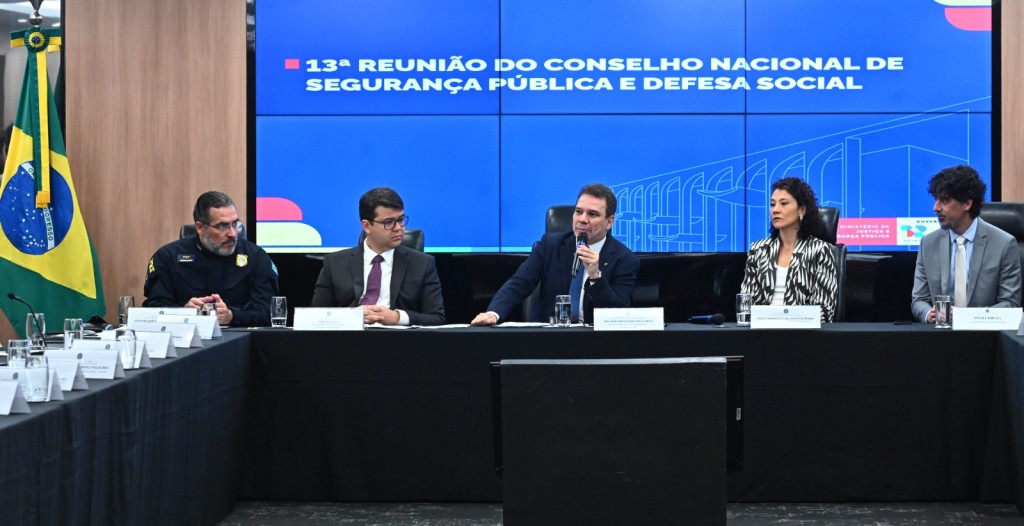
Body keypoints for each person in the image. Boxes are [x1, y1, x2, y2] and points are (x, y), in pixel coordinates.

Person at [471, 183, 640, 325]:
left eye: (592, 214)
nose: (582, 219)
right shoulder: (550, 245)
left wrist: (595, 277)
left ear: (609, 222)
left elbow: (618, 316)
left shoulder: (625, 259)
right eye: (578, 211)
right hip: (551, 338)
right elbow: (520, 282)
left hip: (596, 342)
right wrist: (494, 313)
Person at [311, 187, 445, 326]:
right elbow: (315, 317)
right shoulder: (334, 263)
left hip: (398, 337)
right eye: (388, 222)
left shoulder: (422, 264)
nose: (398, 228)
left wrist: (398, 317)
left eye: (400, 220)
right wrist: (352, 316)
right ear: (367, 226)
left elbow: (437, 318)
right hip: (350, 337)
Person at [144, 191, 278, 326]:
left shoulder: (256, 257)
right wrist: (183, 312)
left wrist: (232, 316)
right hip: (186, 335)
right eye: (222, 226)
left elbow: (269, 313)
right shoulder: (167, 257)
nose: (232, 233)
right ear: (200, 227)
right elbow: (152, 310)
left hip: (241, 336)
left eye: (235, 224)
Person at [911, 165, 1021, 323]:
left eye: (944, 200)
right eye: (936, 200)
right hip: (939, 333)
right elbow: (919, 300)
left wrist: (966, 317)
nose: (936, 208)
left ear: (967, 204)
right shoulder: (928, 243)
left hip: (984, 334)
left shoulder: (1004, 244)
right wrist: (929, 314)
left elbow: (1010, 304)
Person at [740, 177, 838, 322]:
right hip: (762, 331)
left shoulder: (820, 251)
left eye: (784, 203)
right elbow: (746, 303)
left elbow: (824, 310)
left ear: (802, 209)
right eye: (772, 204)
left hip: (803, 332)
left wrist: (787, 321)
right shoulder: (758, 249)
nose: (776, 210)